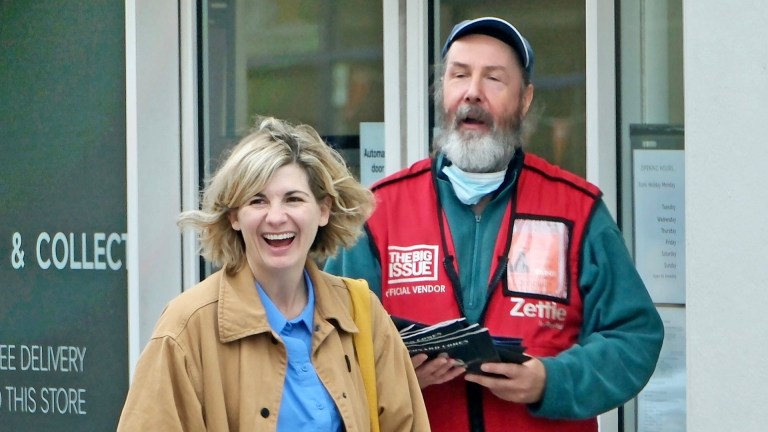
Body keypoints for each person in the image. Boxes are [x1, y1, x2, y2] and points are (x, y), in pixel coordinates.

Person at [324, 16, 664, 432]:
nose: (473, 93)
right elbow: (328, 340)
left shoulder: (576, 210)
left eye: (494, 79)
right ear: (442, 93)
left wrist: (551, 381)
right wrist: (395, 375)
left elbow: (634, 336)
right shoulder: (380, 211)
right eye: (459, 75)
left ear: (524, 99)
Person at [117, 116, 430, 431]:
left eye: (293, 199)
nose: (276, 217)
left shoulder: (361, 313)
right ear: (234, 217)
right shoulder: (186, 328)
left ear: (323, 210)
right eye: (257, 201)